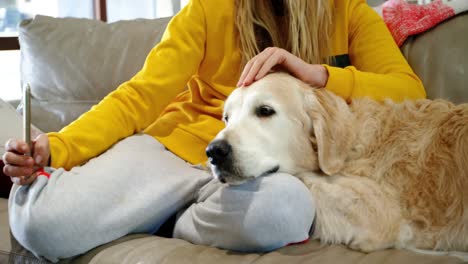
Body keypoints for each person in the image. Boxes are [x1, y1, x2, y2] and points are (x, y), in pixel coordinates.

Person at [2, 0, 425, 262]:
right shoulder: (208, 8)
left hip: (258, 174)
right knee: (43, 225)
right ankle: (26, 148)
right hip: (177, 148)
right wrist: (59, 146)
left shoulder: (347, 11)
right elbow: (141, 95)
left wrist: (317, 74)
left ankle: (169, 218)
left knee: (287, 213)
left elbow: (409, 90)